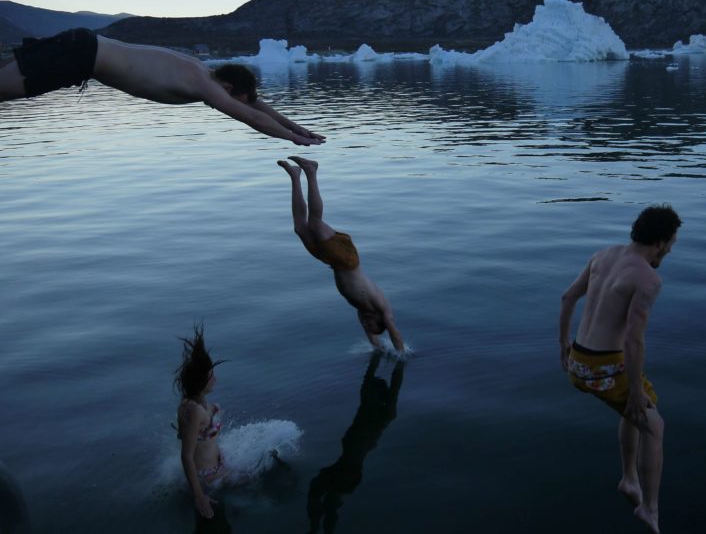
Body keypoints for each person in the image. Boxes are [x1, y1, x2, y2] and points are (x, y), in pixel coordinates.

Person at [559, 204, 681, 534]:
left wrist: (562, 345)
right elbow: (634, 341)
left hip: (579, 361)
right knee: (654, 425)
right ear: (661, 240)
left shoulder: (603, 256)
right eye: (671, 243)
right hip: (604, 367)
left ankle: (629, 479)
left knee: (632, 412)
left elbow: (568, 297)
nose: (670, 249)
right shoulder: (648, 279)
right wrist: (637, 391)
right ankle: (650, 509)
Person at [0, 28, 324, 146]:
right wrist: (295, 141)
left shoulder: (204, 72)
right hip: (79, 55)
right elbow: (251, 117)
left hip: (81, 49)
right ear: (226, 87)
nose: (233, 105)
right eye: (233, 99)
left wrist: (300, 129)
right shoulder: (201, 83)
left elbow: (256, 107)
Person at [278, 156, 405, 352]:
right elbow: (394, 333)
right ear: (379, 322)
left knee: (300, 228)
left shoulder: (362, 310)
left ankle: (295, 176)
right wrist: (401, 354)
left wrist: (377, 347)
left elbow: (372, 337)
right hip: (347, 260)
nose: (365, 326)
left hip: (331, 261)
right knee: (314, 223)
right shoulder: (382, 308)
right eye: (371, 327)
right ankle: (311, 171)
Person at [307, 351, 405, 533]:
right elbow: (376, 377)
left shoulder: (382, 415)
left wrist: (398, 362)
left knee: (321, 495)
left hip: (350, 470)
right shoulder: (374, 410)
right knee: (325, 498)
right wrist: (381, 354)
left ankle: (317, 529)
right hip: (350, 469)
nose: (367, 392)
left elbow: (393, 385)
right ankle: (318, 529)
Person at [174, 325, 228, 520]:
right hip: (208, 479)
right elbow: (186, 455)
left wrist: (211, 411)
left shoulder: (192, 402)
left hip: (217, 468)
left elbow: (193, 433)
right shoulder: (194, 410)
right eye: (211, 375)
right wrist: (199, 496)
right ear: (202, 381)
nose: (215, 379)